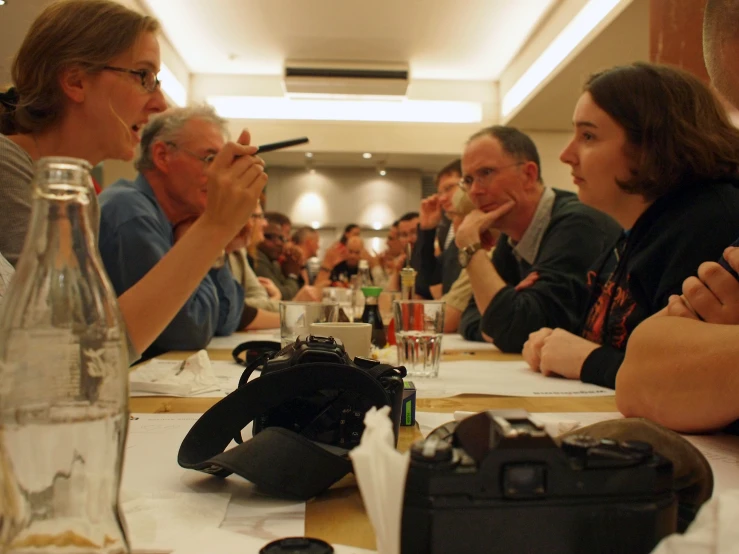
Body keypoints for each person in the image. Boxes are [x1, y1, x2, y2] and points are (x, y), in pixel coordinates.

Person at [0, 0, 266, 359]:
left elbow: (95, 335)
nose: (159, 102)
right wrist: (215, 225)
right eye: (144, 76)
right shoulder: (7, 170)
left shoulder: (80, 194)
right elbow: (76, 354)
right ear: (76, 81)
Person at [523, 62, 739, 390]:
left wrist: (587, 361)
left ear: (651, 145)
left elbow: (684, 374)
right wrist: (556, 341)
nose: (567, 155)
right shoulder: (634, 230)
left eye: (588, 136)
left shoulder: (710, 220)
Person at [615, 0, 739, 432]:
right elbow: (640, 374)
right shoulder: (643, 229)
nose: (566, 156)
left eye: (589, 135)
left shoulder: (710, 213)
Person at [99, 106, 260, 356]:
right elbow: (188, 333)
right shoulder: (131, 212)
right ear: (162, 156)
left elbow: (227, 319)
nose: (218, 174)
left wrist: (209, 244)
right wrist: (208, 232)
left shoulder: (180, 220)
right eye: (209, 159)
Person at [454, 125, 621, 352]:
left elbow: (515, 329)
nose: (474, 191)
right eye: (469, 180)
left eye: (486, 173)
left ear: (528, 175)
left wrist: (471, 248)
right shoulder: (511, 239)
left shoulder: (578, 225)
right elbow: (471, 317)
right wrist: (500, 321)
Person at [413, 160, 464, 299]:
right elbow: (424, 283)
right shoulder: (449, 232)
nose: (441, 199)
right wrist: (427, 230)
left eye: (448, 188)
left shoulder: (491, 229)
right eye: (439, 192)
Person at [227, 201, 282, 323]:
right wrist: (275, 300)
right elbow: (229, 308)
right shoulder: (226, 251)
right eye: (259, 216)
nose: (265, 223)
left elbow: (257, 295)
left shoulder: (239, 252)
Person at [254, 213, 318, 301]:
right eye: (270, 237)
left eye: (281, 238)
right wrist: (292, 275)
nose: (280, 242)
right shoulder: (257, 258)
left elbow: (301, 293)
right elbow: (284, 297)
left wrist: (298, 266)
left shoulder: (275, 262)